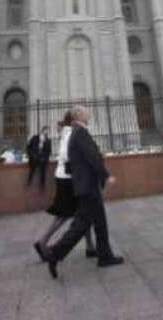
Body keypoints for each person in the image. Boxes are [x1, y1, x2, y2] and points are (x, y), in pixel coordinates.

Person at [44, 105, 123, 279]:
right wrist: (106, 175)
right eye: (85, 110)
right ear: (79, 115)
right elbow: (92, 157)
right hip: (88, 186)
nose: (88, 112)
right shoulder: (80, 133)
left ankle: (104, 255)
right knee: (81, 225)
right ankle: (55, 253)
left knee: (97, 222)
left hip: (85, 185)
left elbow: (77, 161)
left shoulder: (76, 133)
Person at [34, 111, 96, 261]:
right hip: (68, 180)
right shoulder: (70, 134)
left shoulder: (68, 132)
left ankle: (90, 246)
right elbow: (65, 155)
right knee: (65, 215)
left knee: (83, 214)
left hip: (67, 178)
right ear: (75, 119)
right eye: (83, 116)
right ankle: (42, 243)